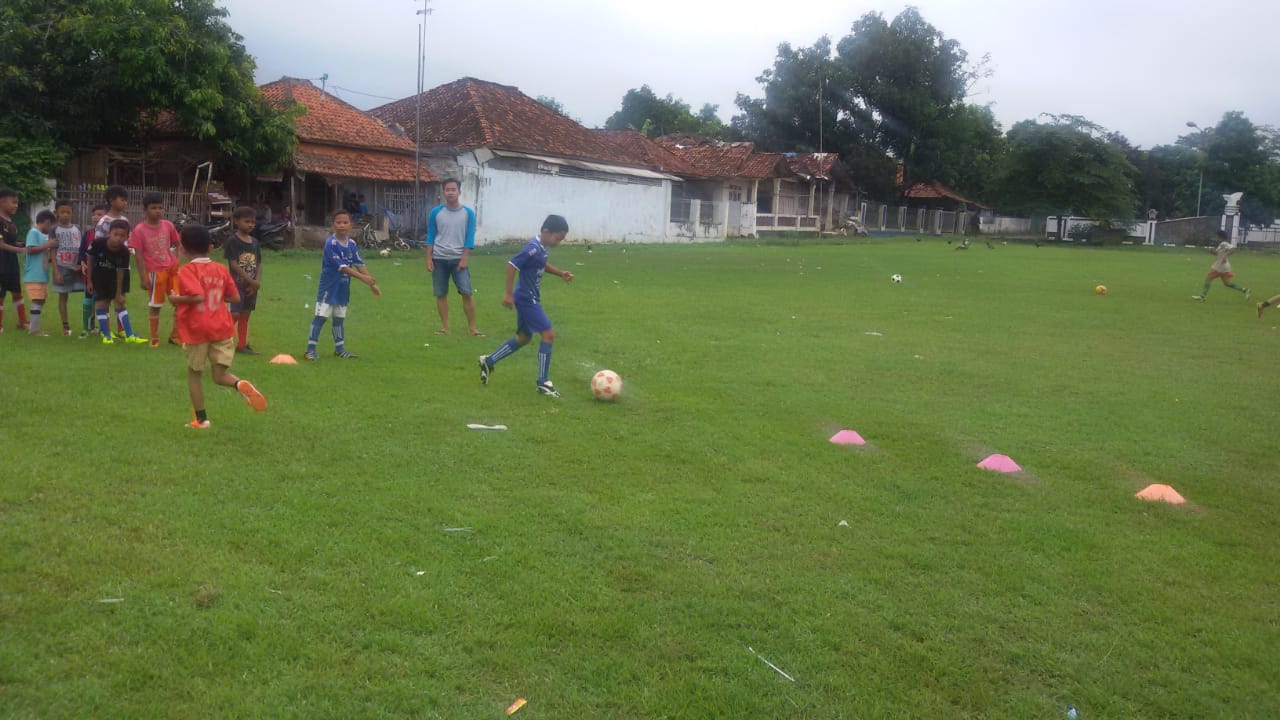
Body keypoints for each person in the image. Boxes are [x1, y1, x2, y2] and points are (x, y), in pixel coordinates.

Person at [168, 224, 267, 428]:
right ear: (211, 248)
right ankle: (239, 384)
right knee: (219, 375)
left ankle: (202, 420)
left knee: (195, 373)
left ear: (183, 249)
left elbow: (197, 296)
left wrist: (176, 299)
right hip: (221, 327)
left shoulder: (187, 270)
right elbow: (234, 296)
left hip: (197, 329)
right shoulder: (220, 269)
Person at [477, 214, 574, 397]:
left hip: (527, 297)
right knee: (548, 334)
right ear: (546, 232)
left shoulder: (542, 248)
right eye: (557, 238)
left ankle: (489, 361)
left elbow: (542, 264)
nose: (558, 242)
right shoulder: (532, 248)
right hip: (527, 299)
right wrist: (507, 293)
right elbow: (512, 265)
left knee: (523, 337)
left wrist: (560, 273)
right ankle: (543, 382)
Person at [304, 209, 380, 360]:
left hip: (343, 287)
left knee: (339, 318)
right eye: (338, 222)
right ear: (333, 225)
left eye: (345, 222)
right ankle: (310, 350)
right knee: (321, 316)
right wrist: (362, 278)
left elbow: (359, 263)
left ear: (351, 225)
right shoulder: (330, 243)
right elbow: (343, 267)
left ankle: (340, 349)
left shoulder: (351, 244)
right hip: (329, 286)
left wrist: (371, 283)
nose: (342, 225)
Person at [425, 178, 483, 336]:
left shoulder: (468, 213)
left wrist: (465, 257)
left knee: (466, 292)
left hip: (458, 259)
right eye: (447, 190)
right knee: (440, 293)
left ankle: (472, 328)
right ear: (443, 192)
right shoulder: (436, 212)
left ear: (459, 192)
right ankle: (445, 328)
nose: (450, 192)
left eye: (453, 189)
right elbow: (430, 235)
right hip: (439, 259)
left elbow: (469, 237)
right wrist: (428, 258)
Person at [130, 192, 182, 347]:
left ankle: (176, 336)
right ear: (145, 210)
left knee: (180, 302)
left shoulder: (168, 225)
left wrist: (177, 260)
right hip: (154, 272)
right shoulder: (139, 230)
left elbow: (178, 243)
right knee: (155, 306)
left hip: (171, 271)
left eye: (160, 207)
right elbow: (138, 256)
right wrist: (143, 277)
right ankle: (154, 337)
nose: (158, 211)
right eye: (154, 208)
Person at [87, 219, 144, 344]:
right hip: (100, 278)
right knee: (101, 304)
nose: (118, 238)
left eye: (122, 236)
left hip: (116, 278)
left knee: (120, 303)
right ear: (109, 233)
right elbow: (90, 260)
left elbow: (120, 271)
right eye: (115, 234)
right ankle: (106, 335)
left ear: (127, 237)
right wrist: (89, 281)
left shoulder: (124, 251)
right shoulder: (98, 243)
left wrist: (118, 293)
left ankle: (129, 334)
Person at [224, 206, 263, 354]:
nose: (250, 224)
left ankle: (242, 345)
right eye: (247, 221)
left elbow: (259, 263)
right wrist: (250, 280)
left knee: (245, 315)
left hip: (251, 287)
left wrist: (256, 283)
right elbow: (233, 264)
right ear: (236, 221)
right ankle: (220, 338)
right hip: (237, 285)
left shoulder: (255, 242)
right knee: (235, 314)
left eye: (253, 222)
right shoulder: (233, 241)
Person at [95, 186, 131, 337]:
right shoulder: (104, 221)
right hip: (107, 266)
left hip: (122, 266)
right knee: (105, 299)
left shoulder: (125, 220)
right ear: (111, 200)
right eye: (122, 200)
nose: (125, 203)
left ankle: (121, 330)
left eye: (126, 200)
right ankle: (106, 330)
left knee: (120, 297)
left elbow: (127, 242)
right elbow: (98, 242)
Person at [50, 199, 86, 335]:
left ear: (72, 213)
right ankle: (65, 326)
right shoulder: (54, 229)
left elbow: (82, 248)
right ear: (56, 213)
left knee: (88, 294)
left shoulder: (77, 228)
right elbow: (52, 250)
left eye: (68, 212)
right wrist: (56, 270)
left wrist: (81, 263)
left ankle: (90, 324)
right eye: (62, 212)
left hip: (77, 267)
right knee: (63, 295)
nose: (65, 215)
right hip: (62, 267)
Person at [22, 210, 58, 335]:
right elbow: (30, 249)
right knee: (37, 300)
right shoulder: (33, 232)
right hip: (34, 275)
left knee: (41, 300)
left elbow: (40, 254)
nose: (51, 229)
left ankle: (34, 327)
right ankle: (34, 330)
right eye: (52, 225)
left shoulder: (40, 236)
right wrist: (48, 244)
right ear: (47, 222)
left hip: (41, 275)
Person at [0, 188, 30, 332]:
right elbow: (1, 244)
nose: (16, 205)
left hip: (11, 262)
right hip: (1, 262)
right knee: (1, 294)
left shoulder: (11, 222)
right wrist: (21, 250)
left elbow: (10, 242)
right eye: (13, 202)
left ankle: (23, 321)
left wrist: (24, 244)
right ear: (2, 202)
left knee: (17, 292)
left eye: (17, 203)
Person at [1192, 230, 1250, 302]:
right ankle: (1245, 290)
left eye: (1216, 236)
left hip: (1220, 266)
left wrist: (1225, 256)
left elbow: (1233, 249)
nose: (1216, 238)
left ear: (1220, 237)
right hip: (1224, 266)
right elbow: (1218, 254)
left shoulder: (1223, 243)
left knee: (1208, 278)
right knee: (1227, 283)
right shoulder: (1221, 245)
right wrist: (1211, 251)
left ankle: (1202, 297)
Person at [76, 205, 107, 337]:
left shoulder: (110, 234)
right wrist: (82, 262)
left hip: (104, 272)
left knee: (102, 300)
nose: (95, 217)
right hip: (89, 273)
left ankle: (103, 328)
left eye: (99, 214)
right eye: (94, 214)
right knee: (88, 298)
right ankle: (87, 327)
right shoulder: (88, 234)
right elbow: (82, 251)